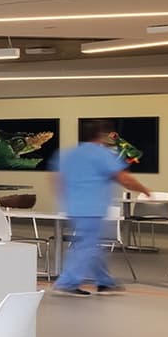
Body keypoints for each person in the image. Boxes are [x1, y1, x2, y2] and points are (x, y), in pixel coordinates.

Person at [53, 122, 134, 295]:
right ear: (100, 135)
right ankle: (67, 282)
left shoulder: (70, 154)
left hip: (75, 208)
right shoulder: (102, 154)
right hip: (92, 209)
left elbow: (58, 180)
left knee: (91, 245)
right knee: (87, 246)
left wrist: (66, 198)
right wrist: (146, 191)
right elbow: (124, 179)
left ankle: (105, 282)